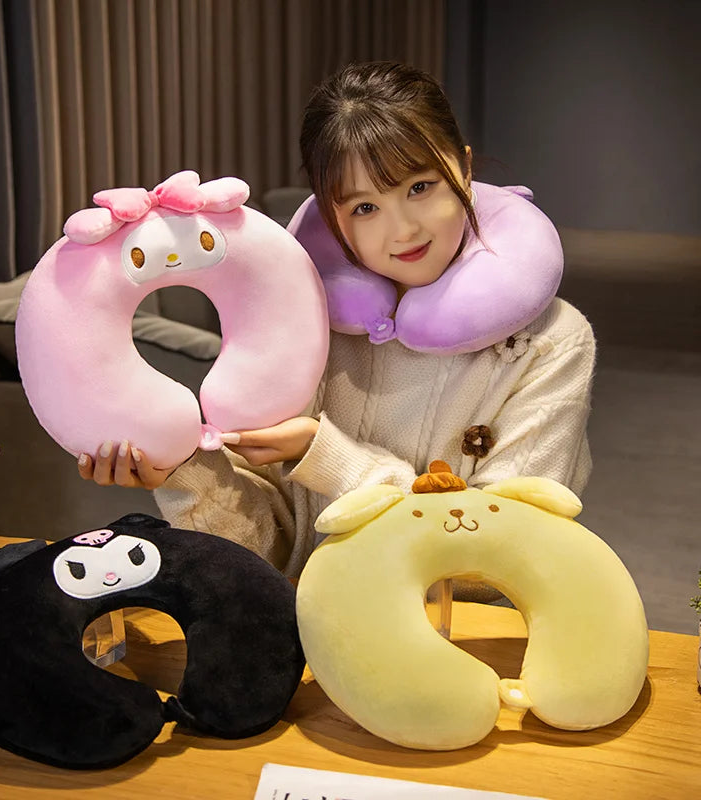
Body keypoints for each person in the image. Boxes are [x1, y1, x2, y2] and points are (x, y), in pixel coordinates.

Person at [77, 62, 595, 597]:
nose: (403, 230)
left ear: (463, 167)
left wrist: (324, 454)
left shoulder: (550, 342)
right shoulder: (301, 329)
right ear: (329, 213)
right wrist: (181, 469)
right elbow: (266, 556)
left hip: (465, 642)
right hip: (314, 632)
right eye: (365, 207)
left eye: (420, 187)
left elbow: (493, 564)